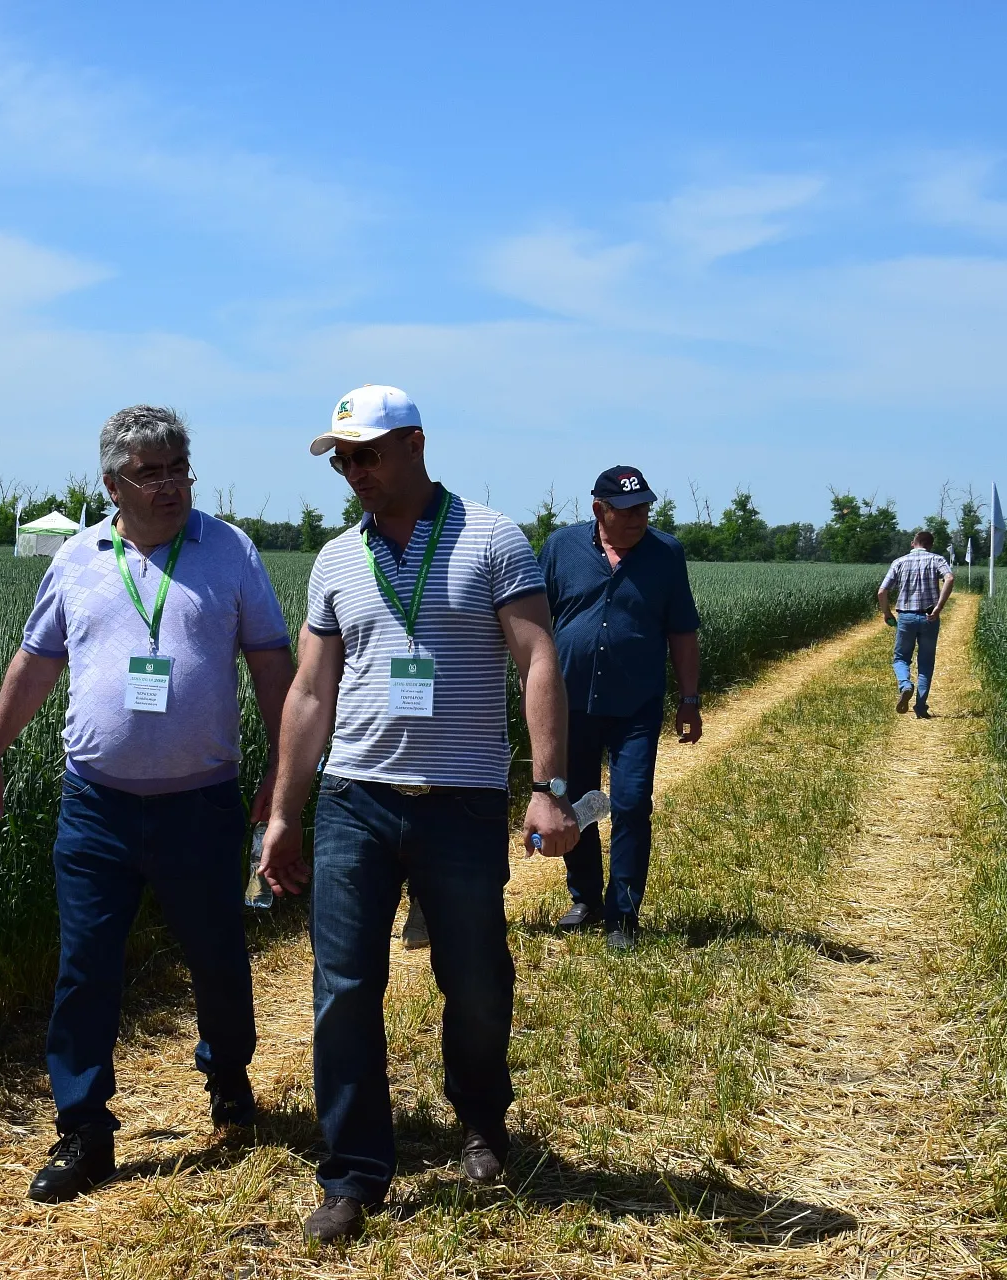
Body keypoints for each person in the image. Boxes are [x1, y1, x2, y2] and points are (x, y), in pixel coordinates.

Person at [258, 384, 579, 1244]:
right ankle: (354, 1172)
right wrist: (284, 812)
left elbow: (537, 659)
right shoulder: (336, 560)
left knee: (474, 979)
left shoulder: (490, 538)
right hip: (354, 800)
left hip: (461, 801)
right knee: (343, 987)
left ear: (415, 444)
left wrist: (548, 786)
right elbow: (310, 693)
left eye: (366, 454)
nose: (354, 472)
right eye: (342, 461)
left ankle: (481, 1118)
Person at [0, 405, 295, 1203]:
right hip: (96, 806)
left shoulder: (230, 550)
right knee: (86, 968)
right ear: (112, 484)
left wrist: (284, 773)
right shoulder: (77, 558)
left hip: (200, 805)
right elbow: (36, 663)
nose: (171, 484)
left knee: (217, 956)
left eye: (179, 467)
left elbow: (271, 665)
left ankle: (227, 1074)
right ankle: (84, 1129)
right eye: (151, 472)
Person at [539, 465, 703, 951]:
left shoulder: (666, 553)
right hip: (570, 703)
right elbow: (534, 618)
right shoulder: (561, 547)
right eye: (627, 510)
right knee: (577, 803)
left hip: (636, 705)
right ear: (599, 509)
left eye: (644, 508)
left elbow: (682, 631)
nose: (638, 518)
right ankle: (586, 898)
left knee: (631, 804)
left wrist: (689, 699)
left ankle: (623, 914)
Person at [877, 529, 955, 718]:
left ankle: (905, 685)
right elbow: (950, 578)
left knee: (901, 658)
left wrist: (887, 612)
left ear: (913, 543)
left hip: (906, 617)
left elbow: (882, 591)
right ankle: (920, 707)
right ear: (930, 545)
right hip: (929, 617)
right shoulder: (937, 559)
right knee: (926, 662)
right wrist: (939, 607)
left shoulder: (899, 562)